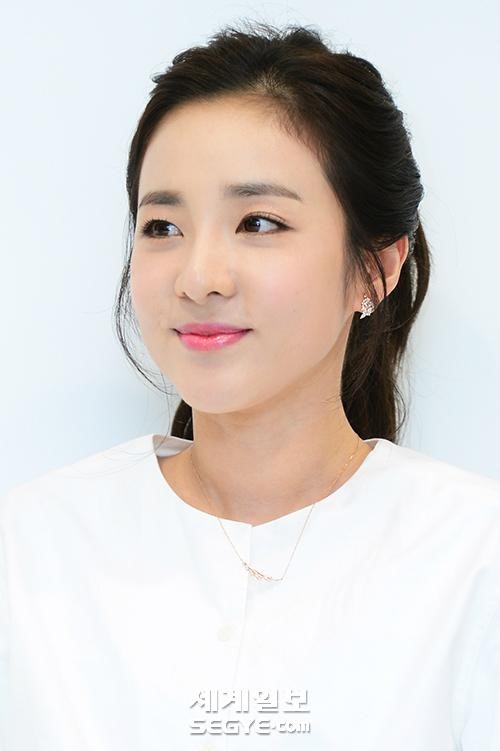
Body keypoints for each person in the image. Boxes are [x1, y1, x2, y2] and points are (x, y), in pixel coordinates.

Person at [1, 19, 499, 751]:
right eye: (162, 226)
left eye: (259, 222)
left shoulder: (474, 556)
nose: (199, 277)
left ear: (377, 267)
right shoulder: (30, 550)